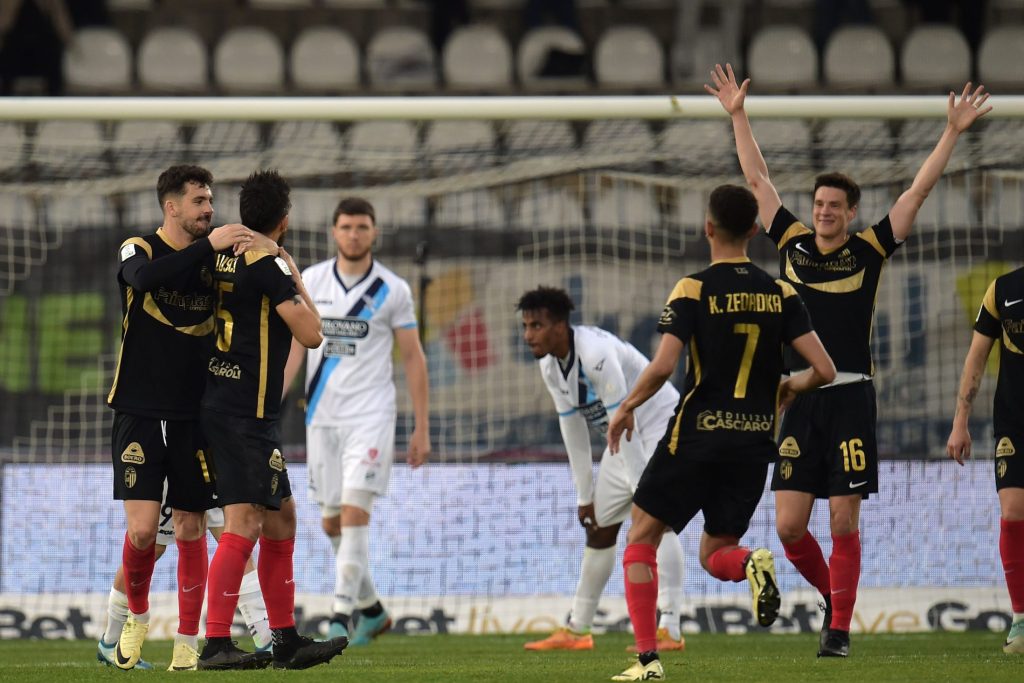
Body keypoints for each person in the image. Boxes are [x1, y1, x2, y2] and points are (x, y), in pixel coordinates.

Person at [706, 63, 992, 657]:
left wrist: (951, 132)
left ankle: (837, 632)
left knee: (842, 522)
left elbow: (916, 193)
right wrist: (738, 114)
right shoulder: (791, 243)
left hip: (852, 399)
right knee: (789, 527)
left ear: (852, 212)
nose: (825, 212)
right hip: (800, 398)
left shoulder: (869, 250)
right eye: (819, 204)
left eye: (835, 205)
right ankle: (834, 599)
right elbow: (757, 179)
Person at [607, 184, 836, 681]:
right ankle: (750, 561)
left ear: (708, 227)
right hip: (754, 443)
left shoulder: (693, 289)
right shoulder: (782, 293)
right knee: (717, 551)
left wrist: (626, 406)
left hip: (696, 435)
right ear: (754, 231)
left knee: (641, 537)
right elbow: (824, 370)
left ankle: (647, 661)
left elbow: (663, 366)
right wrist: (787, 387)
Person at [105, 164, 256, 671]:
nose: (209, 209)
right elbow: (144, 280)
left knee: (192, 528)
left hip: (195, 415)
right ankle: (137, 617)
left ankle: (187, 643)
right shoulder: (139, 249)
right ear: (171, 207)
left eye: (210, 200)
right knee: (144, 533)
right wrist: (209, 245)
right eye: (199, 201)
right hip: (139, 410)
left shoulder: (215, 260)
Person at [198, 169, 346, 670]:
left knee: (282, 518)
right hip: (243, 411)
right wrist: (293, 270)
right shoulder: (268, 264)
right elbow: (313, 334)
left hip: (231, 404)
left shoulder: (219, 254)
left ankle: (284, 640)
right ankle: (216, 644)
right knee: (244, 523)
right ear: (284, 220)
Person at [282, 196, 431, 646]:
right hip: (321, 416)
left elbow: (413, 357)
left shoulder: (393, 289)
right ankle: (373, 611)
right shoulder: (312, 280)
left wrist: (422, 426)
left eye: (362, 227)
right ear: (334, 232)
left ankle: (340, 618)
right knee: (331, 522)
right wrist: (271, 401)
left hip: (371, 416)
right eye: (346, 227)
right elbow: (296, 347)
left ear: (374, 233)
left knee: (353, 514)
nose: (353, 234)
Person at [516, 287, 687, 653]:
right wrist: (585, 495)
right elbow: (572, 428)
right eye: (525, 326)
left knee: (656, 521)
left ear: (560, 326)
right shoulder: (550, 366)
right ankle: (578, 630)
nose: (528, 335)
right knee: (599, 527)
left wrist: (643, 493)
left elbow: (625, 418)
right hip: (623, 437)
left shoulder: (595, 354)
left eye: (536, 326)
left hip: (659, 424)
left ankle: (670, 629)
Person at [947, 268, 1024, 654]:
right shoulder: (1003, 289)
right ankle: (1021, 619)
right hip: (1013, 423)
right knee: (1013, 511)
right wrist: (960, 421)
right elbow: (976, 356)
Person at [97, 503, 273, 670]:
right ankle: (111, 641)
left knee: (236, 540)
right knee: (151, 546)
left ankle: (265, 639)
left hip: (209, 482)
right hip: (173, 484)